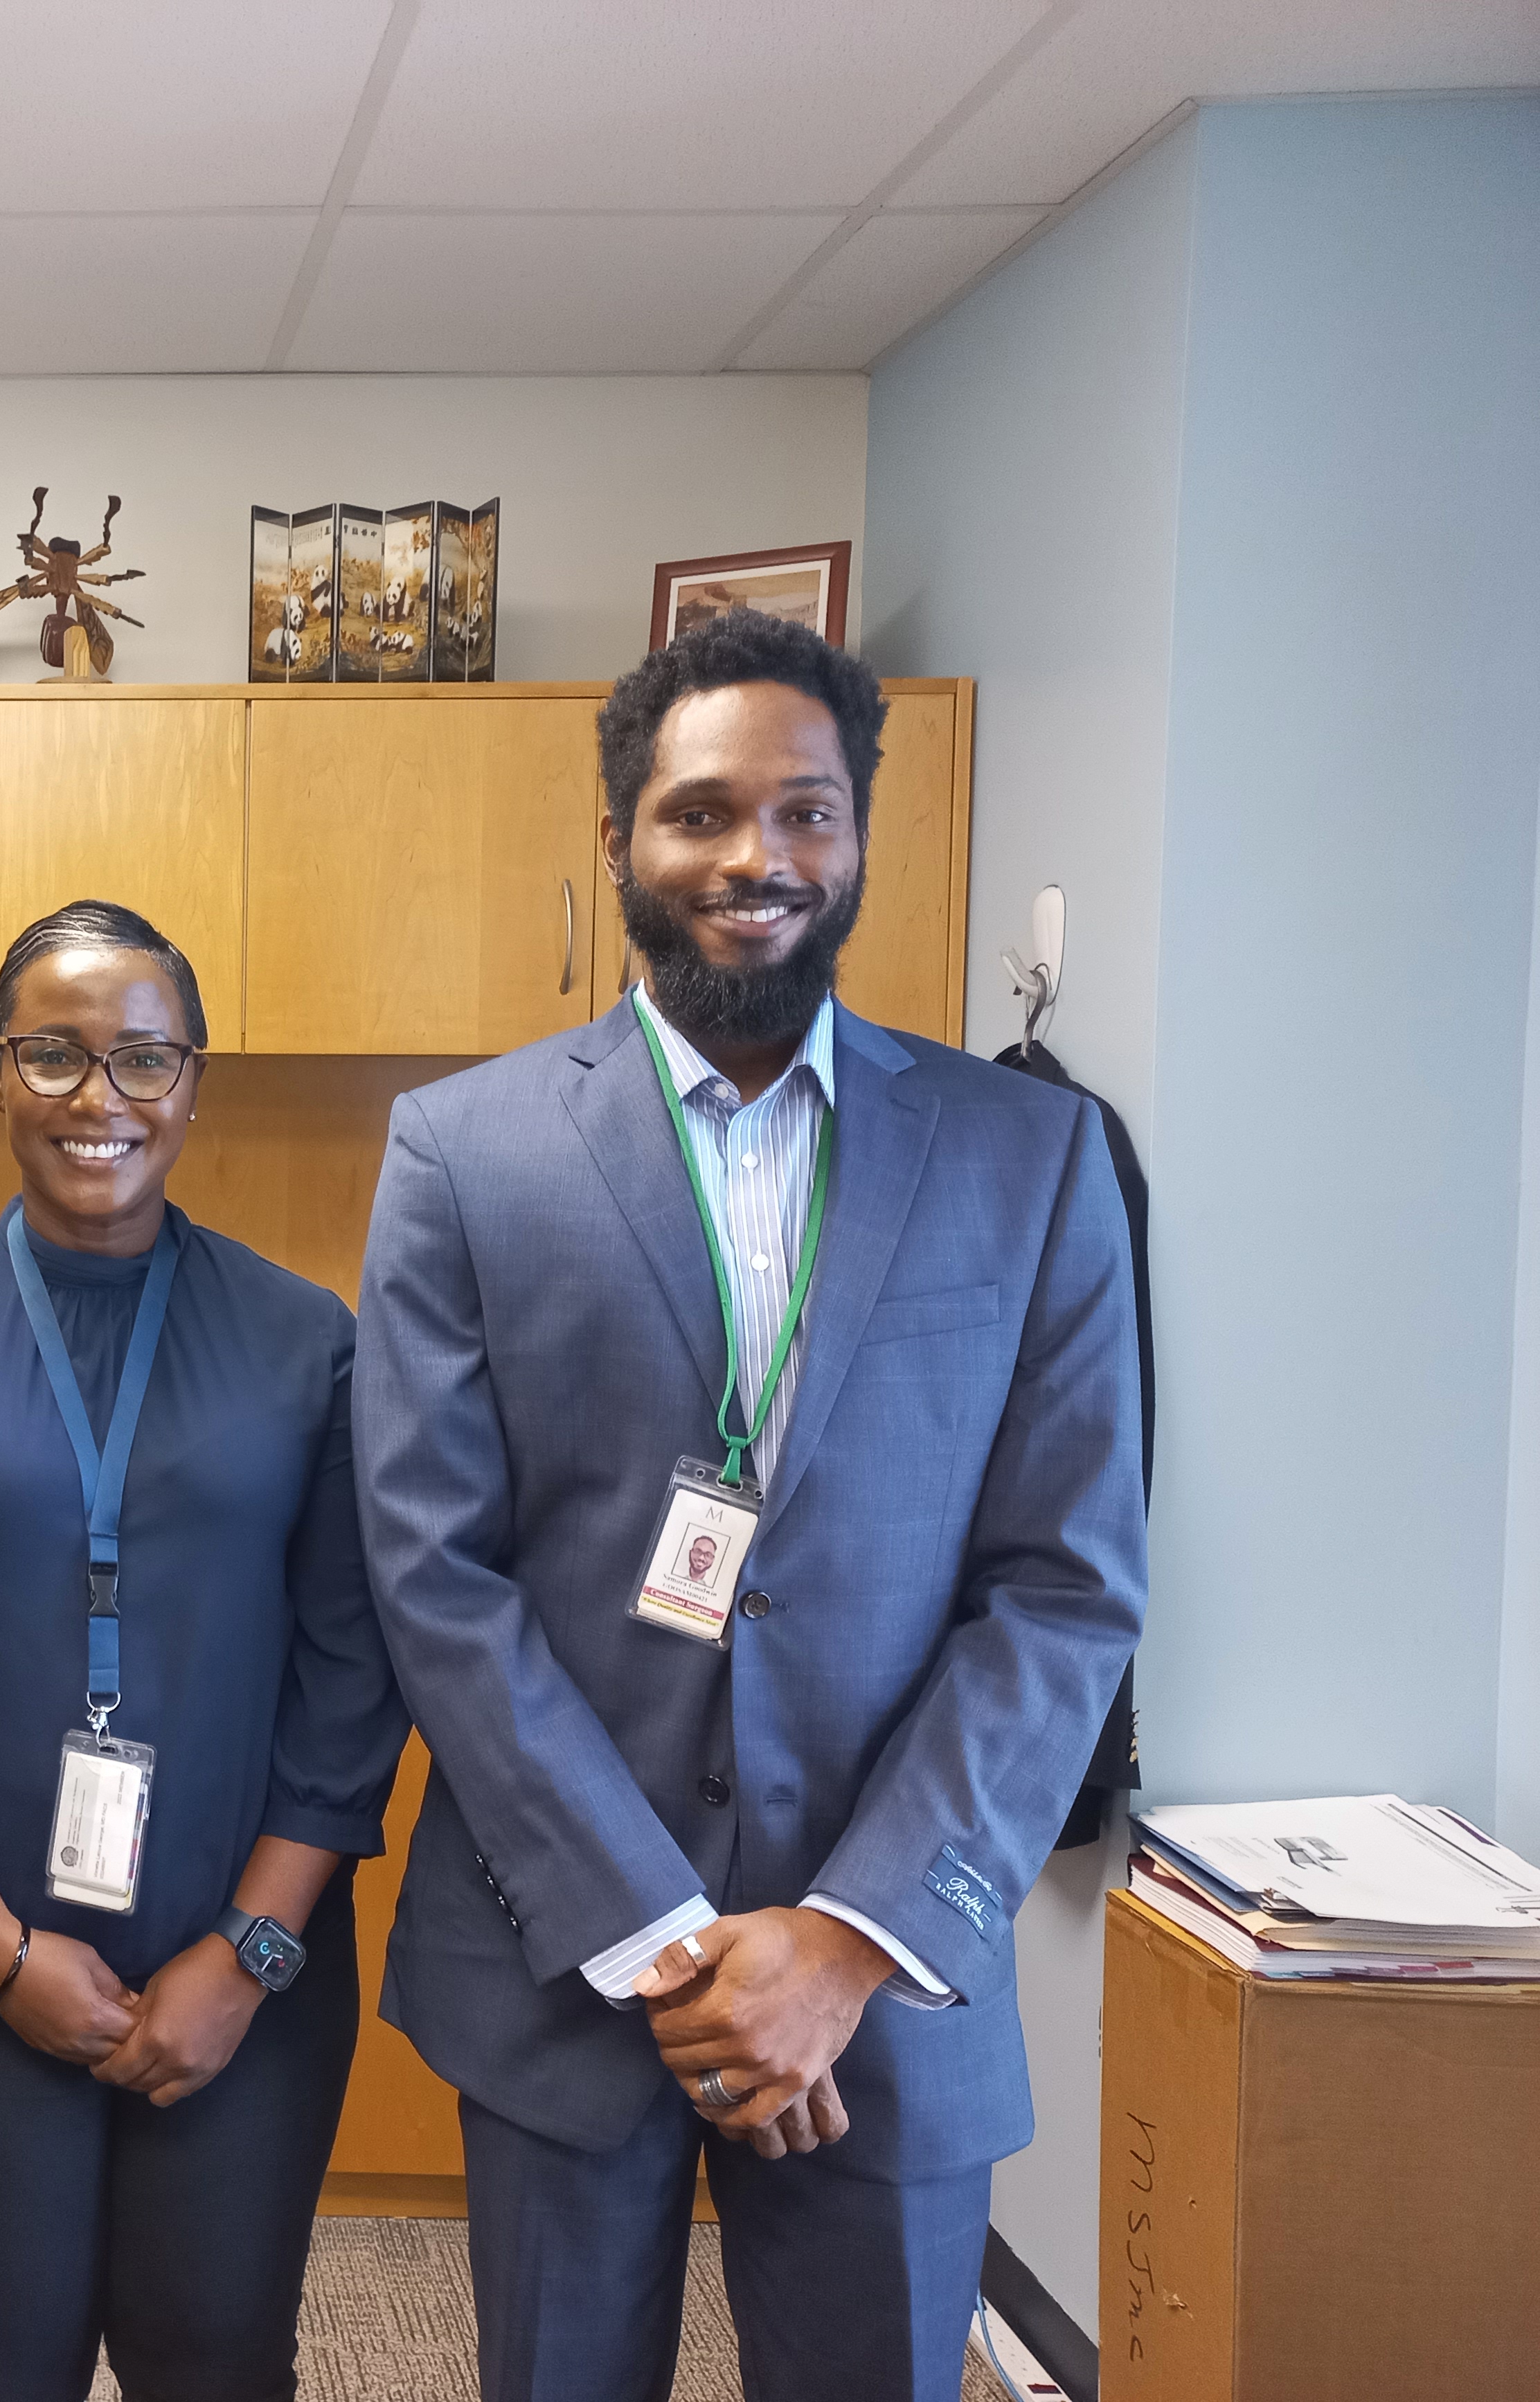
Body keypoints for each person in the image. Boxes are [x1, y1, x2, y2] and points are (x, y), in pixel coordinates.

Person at [353, 610, 1146, 2402]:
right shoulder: (465, 1151)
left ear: (859, 829)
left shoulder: (1031, 1158)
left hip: (892, 1983)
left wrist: (847, 1936)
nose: (755, 858)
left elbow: (1066, 1587)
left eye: (804, 811)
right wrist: (664, 1934)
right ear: (624, 839)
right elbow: (435, 1568)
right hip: (566, 1965)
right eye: (701, 812)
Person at [0, 900, 408, 2402]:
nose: (99, 1100)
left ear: (193, 1083)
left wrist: (250, 1955)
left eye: (143, 1059)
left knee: (216, 2354)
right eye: (53, 1055)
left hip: (241, 1964)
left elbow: (352, 1673)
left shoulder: (304, 1340)